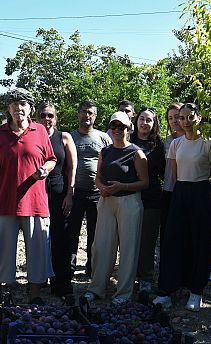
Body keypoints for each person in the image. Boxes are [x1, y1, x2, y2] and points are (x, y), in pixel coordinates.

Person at [0, 88, 57, 306]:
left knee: (37, 248)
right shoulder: (0, 132)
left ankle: (34, 293)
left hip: (35, 201)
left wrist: (46, 168)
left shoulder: (40, 131)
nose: (19, 108)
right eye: (14, 104)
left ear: (30, 108)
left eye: (23, 104)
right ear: (9, 108)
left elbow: (52, 158)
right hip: (5, 200)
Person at [153, 103, 211, 312]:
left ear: (199, 118)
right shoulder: (176, 144)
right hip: (180, 193)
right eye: (181, 118)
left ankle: (196, 291)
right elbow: (175, 175)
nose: (184, 122)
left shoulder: (209, 143)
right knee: (173, 241)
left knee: (200, 242)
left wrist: (203, 194)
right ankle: (167, 290)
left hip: (201, 193)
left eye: (189, 117)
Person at [85, 111, 149, 305]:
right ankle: (96, 288)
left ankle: (123, 293)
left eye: (121, 127)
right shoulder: (105, 151)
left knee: (128, 249)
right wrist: (101, 187)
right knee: (101, 246)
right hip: (106, 201)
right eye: (113, 127)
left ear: (128, 128)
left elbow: (145, 182)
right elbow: (98, 175)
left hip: (129, 202)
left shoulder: (137, 152)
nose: (117, 130)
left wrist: (123, 186)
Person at [35, 102, 77, 304]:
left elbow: (72, 169)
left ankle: (61, 283)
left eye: (50, 115)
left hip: (60, 192)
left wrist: (70, 194)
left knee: (60, 237)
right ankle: (40, 279)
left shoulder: (64, 137)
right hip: (37, 194)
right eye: (43, 115)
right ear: (37, 117)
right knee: (39, 238)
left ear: (56, 118)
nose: (47, 119)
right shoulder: (33, 136)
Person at [68, 101, 112, 276]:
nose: (87, 116)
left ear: (95, 116)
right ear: (78, 113)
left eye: (91, 113)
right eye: (84, 112)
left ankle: (92, 268)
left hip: (97, 193)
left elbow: (110, 163)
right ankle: (69, 267)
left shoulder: (103, 138)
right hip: (75, 191)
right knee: (72, 231)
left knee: (95, 232)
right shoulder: (70, 137)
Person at [130, 107, 166, 294]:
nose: (144, 123)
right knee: (128, 239)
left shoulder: (158, 146)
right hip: (128, 197)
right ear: (136, 121)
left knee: (148, 240)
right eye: (142, 119)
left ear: (154, 124)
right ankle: (128, 276)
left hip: (151, 198)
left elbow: (165, 173)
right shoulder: (128, 140)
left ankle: (145, 278)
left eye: (149, 120)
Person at [159, 103, 184, 249]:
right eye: (170, 118)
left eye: (176, 116)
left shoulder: (195, 139)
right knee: (167, 231)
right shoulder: (167, 140)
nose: (174, 121)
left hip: (185, 189)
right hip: (168, 189)